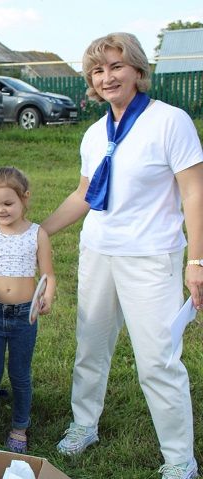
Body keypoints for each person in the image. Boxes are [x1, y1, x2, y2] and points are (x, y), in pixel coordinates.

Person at [41, 32, 203, 479]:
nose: (107, 77)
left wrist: (197, 260)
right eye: (98, 70)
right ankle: (83, 424)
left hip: (151, 257)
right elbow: (84, 194)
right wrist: (40, 231)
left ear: (137, 70)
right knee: (90, 347)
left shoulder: (171, 121)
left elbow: (194, 193)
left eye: (116, 66)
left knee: (158, 361)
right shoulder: (95, 133)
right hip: (98, 252)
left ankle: (178, 460)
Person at [0, 167, 56, 454]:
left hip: (24, 315)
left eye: (8, 203)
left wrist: (48, 296)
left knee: (20, 373)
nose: (0, 210)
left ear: (25, 199)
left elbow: (49, 275)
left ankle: (19, 427)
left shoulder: (37, 234)